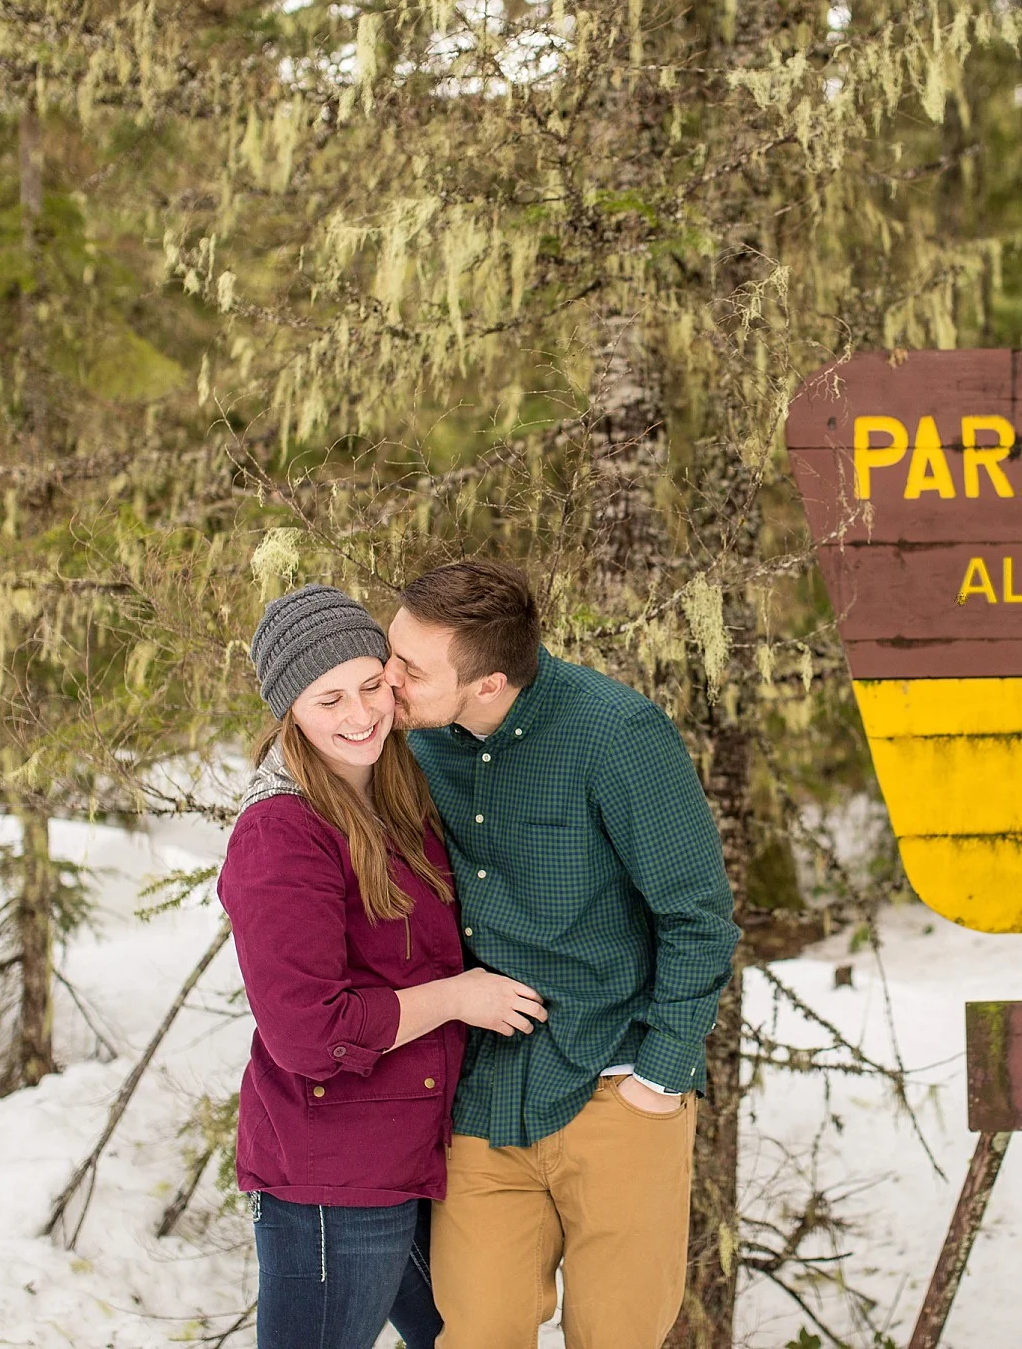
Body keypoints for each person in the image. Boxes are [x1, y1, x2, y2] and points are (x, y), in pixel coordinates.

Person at [381, 560, 741, 1349]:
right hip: (484, 1095)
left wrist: (659, 1076)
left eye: (411, 668)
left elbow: (699, 918)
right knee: (475, 1336)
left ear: (487, 683)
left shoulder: (617, 737)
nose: (388, 678)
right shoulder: (411, 743)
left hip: (615, 1086)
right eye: (391, 649)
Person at [219, 584, 550, 1349]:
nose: (360, 714)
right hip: (333, 1183)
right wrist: (457, 998)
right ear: (289, 711)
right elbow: (309, 1032)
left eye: (371, 685)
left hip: (411, 1159)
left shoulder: (396, 792)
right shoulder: (282, 832)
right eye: (327, 699)